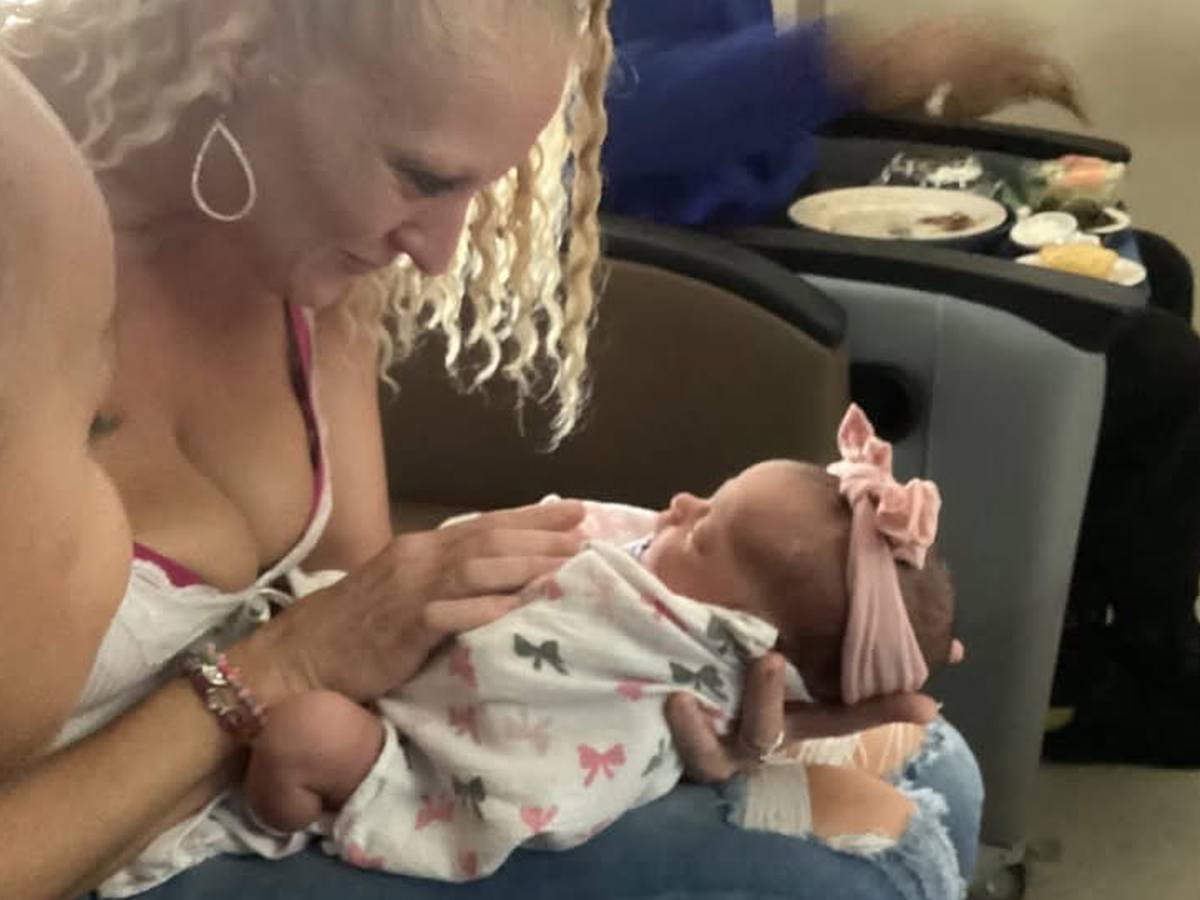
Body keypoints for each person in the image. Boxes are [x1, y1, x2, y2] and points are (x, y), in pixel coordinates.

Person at [0, 3, 982, 900]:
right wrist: (271, 674)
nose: (438, 252)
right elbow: (312, 645)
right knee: (857, 874)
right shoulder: (29, 257)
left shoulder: (301, 266)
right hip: (103, 846)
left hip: (285, 764)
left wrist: (616, 694)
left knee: (935, 761)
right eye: (423, 177)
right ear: (241, 42)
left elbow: (359, 615)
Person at [600, 0, 1200, 768]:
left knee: (1157, 272)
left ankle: (1077, 643)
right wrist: (851, 60)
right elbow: (598, 116)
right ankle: (1147, 682)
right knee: (1155, 367)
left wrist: (893, 86)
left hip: (761, 207)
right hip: (700, 274)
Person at [199, 407, 963, 886]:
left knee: (941, 757)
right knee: (888, 866)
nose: (679, 505)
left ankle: (321, 804)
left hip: (426, 758)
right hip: (349, 661)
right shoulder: (655, 564)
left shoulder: (680, 636)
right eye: (709, 498)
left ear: (745, 634)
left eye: (704, 532)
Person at [602, 0, 1084, 225]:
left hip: (777, 179)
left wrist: (910, 81)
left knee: (1127, 254)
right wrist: (863, 57)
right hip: (688, 254)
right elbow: (600, 118)